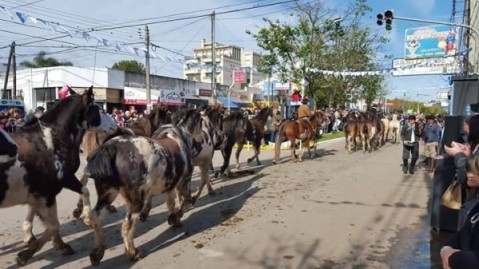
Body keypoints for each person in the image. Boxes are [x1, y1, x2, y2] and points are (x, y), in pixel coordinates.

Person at [440, 155, 479, 269]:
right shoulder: (476, 206)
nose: (469, 175)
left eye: (474, 172)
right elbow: (464, 233)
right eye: (469, 171)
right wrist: (446, 249)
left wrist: (452, 257)